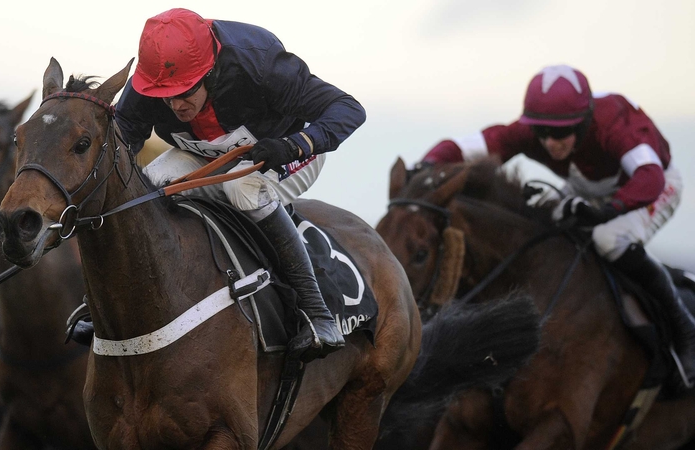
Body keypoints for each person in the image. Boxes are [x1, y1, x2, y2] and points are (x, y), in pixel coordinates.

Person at [113, 8, 366, 362]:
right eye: (165, 95)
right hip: (206, 155)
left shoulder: (260, 65)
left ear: (210, 71)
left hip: (282, 150)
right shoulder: (155, 78)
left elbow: (348, 108)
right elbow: (121, 139)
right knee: (147, 185)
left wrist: (294, 145)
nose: (175, 104)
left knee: (242, 189)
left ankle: (317, 313)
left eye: (185, 91)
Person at [421, 64, 694, 388]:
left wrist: (607, 211)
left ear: (585, 122)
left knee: (609, 239)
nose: (551, 142)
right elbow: (465, 146)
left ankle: (686, 331)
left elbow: (650, 176)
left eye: (561, 132)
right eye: (542, 132)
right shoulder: (529, 132)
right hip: (588, 191)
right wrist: (423, 166)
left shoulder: (614, 123)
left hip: (653, 186)